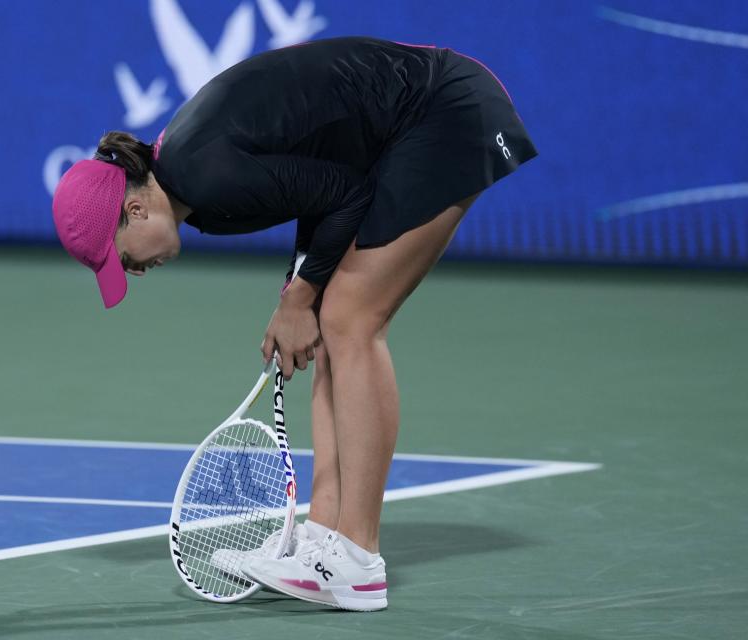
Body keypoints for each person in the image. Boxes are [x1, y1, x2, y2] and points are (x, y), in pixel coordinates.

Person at [51, 36, 537, 611]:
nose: (133, 272)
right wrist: (297, 295)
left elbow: (346, 194)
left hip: (444, 112)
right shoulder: (191, 185)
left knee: (352, 320)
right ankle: (326, 537)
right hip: (400, 132)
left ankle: (356, 560)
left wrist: (300, 297)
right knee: (333, 322)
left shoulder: (202, 176)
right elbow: (317, 185)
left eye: (123, 258)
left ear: (134, 211)